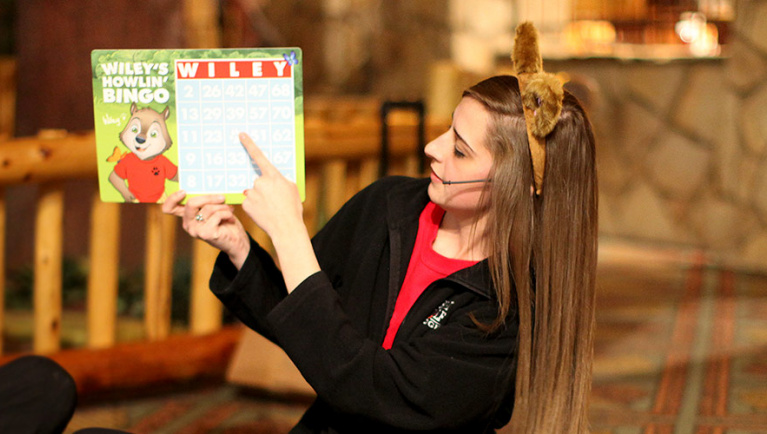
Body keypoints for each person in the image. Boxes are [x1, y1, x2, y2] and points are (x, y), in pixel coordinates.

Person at [162, 70, 598, 433]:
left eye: (459, 150)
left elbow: (367, 384)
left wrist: (289, 231)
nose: (433, 148)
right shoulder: (390, 205)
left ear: (514, 184)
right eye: (448, 129)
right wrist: (240, 248)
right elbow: (309, 325)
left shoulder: (509, 307)